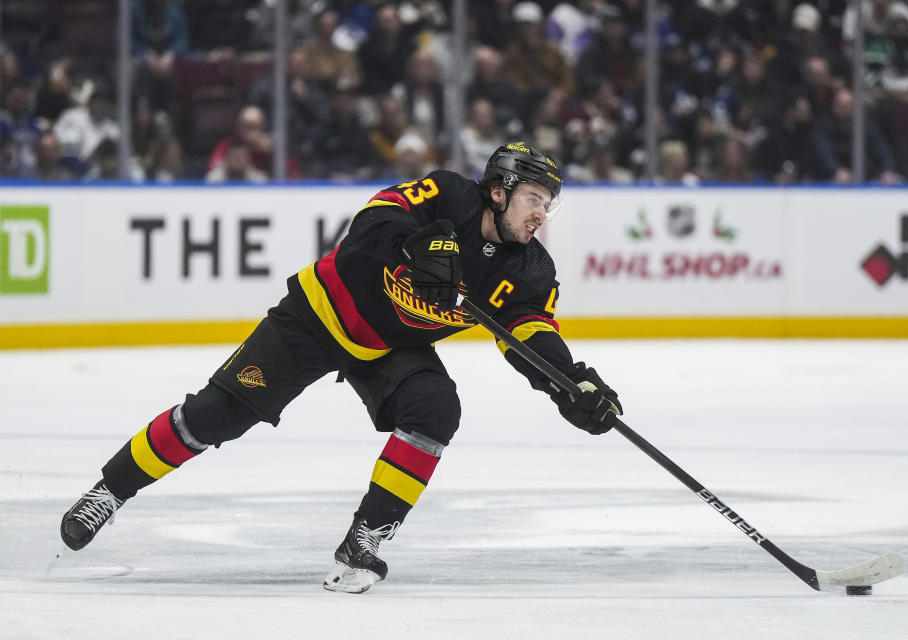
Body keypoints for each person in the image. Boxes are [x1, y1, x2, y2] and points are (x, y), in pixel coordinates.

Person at [59, 142, 623, 594]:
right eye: (532, 197)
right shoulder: (449, 194)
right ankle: (109, 491)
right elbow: (372, 221)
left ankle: (364, 541)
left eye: (548, 203)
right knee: (215, 416)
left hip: (390, 346)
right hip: (318, 314)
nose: (541, 213)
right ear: (498, 191)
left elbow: (530, 333)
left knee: (435, 408)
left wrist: (569, 384)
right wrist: (413, 249)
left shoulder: (529, 270)